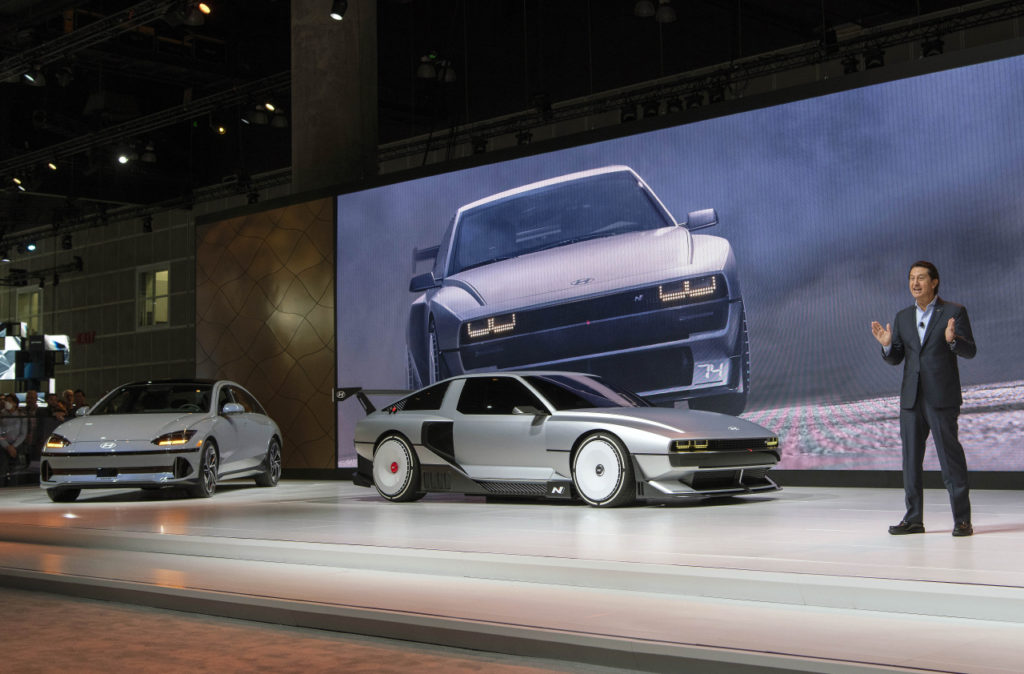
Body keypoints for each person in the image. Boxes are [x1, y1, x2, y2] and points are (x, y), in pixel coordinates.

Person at [870, 261, 976, 537]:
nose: (915, 283)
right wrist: (885, 345)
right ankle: (914, 518)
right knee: (911, 461)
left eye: (921, 278)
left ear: (935, 282)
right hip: (911, 400)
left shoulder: (954, 311)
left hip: (942, 397)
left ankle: (962, 520)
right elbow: (896, 358)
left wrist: (953, 340)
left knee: (950, 460)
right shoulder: (903, 317)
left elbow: (970, 350)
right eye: (911, 279)